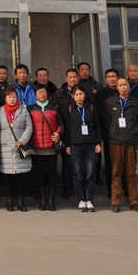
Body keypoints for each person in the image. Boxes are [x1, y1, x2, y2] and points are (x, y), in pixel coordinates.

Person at [106, 78, 138, 212]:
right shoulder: (110, 102)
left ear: (128, 87)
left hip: (131, 141)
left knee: (130, 173)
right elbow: (107, 121)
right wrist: (112, 133)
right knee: (116, 172)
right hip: (116, 141)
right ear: (117, 88)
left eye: (125, 85)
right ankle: (115, 202)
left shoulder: (136, 103)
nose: (123, 87)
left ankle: (134, 202)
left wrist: (135, 134)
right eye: (120, 85)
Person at [62, 85, 101, 212]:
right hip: (75, 145)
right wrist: (67, 144)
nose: (79, 97)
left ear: (85, 95)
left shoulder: (91, 107)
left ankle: (89, 199)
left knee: (90, 173)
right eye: (77, 95)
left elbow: (97, 126)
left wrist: (98, 143)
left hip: (90, 144)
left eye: (81, 94)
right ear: (72, 96)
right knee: (78, 173)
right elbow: (66, 128)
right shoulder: (69, 108)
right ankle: (81, 199)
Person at [0, 87, 33, 211]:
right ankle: (9, 200)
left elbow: (29, 127)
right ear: (5, 98)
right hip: (5, 148)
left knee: (21, 177)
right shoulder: (0, 111)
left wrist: (22, 140)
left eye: (14, 97)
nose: (12, 99)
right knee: (8, 178)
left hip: (20, 147)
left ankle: (21, 201)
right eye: (9, 97)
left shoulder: (23, 110)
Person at [28, 86, 61, 211]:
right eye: (39, 92)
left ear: (47, 94)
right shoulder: (31, 108)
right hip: (37, 148)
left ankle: (51, 200)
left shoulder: (55, 107)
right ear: (35, 95)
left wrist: (58, 134)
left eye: (44, 92)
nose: (42, 94)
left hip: (51, 148)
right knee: (39, 175)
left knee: (52, 175)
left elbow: (61, 124)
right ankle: (42, 199)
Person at [52, 68, 81, 197]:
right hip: (65, 133)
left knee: (80, 164)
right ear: (66, 78)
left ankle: (80, 190)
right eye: (70, 77)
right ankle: (67, 190)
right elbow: (55, 114)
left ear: (78, 78)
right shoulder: (59, 94)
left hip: (81, 133)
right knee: (67, 163)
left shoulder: (83, 92)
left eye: (75, 77)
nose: (72, 79)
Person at [95, 68, 119, 195]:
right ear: (105, 79)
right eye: (109, 77)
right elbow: (99, 113)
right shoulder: (101, 94)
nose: (112, 79)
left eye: (114, 76)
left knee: (123, 162)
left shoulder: (122, 91)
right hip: (108, 132)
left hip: (124, 134)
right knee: (110, 162)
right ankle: (111, 189)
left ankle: (124, 187)